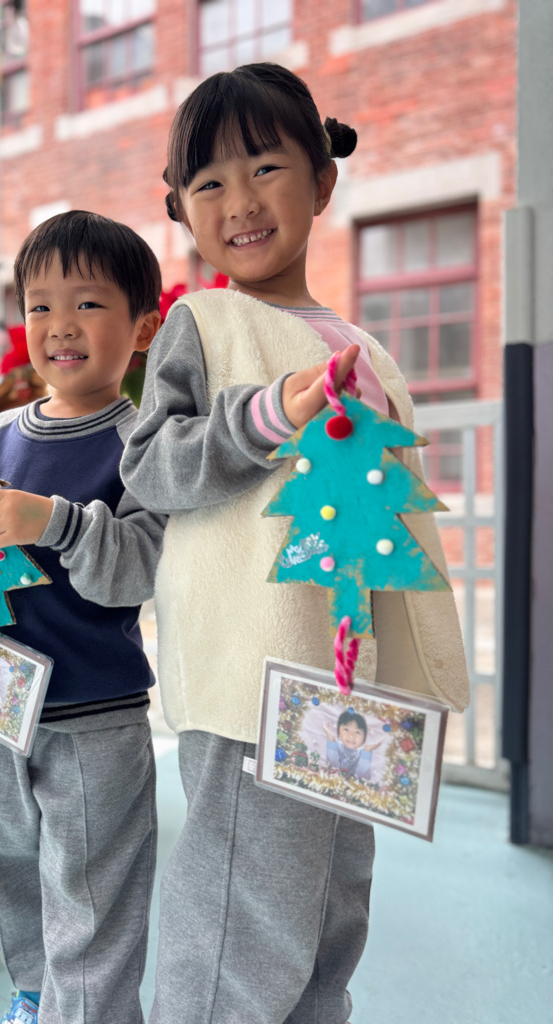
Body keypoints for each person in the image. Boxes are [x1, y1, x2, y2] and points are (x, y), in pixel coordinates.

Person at [121, 63, 470, 1024]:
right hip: (251, 676)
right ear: (181, 211)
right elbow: (151, 465)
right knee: (243, 916)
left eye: (266, 168)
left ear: (322, 182)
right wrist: (268, 415)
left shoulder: (365, 346)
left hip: (347, 683)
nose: (240, 201)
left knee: (331, 910)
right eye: (209, 183)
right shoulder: (203, 322)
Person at [0, 210, 165, 1024]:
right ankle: (34, 994)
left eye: (87, 304)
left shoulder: (141, 443)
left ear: (143, 327)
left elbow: (138, 568)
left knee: (93, 884)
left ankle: (90, 1012)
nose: (60, 326)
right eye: (39, 306)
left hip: (94, 712)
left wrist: (51, 521)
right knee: (2, 854)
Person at [323, 711, 381, 780]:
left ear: (364, 737)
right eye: (346, 729)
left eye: (357, 732)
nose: (351, 736)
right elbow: (330, 771)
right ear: (339, 732)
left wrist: (367, 750)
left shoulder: (364, 753)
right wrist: (331, 738)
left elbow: (362, 779)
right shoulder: (336, 747)